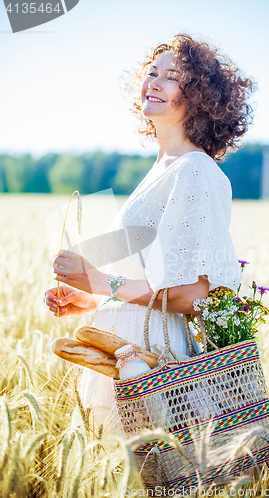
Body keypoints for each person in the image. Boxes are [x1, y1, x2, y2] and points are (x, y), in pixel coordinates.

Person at [44, 33, 254, 429]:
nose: (153, 82)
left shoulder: (195, 171)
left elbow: (194, 296)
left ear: (201, 97)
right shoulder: (162, 169)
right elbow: (152, 281)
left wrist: (101, 282)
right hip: (121, 348)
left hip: (149, 358)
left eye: (171, 76)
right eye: (151, 72)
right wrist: (93, 298)